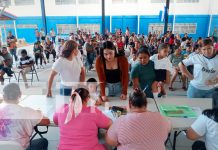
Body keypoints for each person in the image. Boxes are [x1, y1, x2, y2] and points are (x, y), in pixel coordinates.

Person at [106, 89, 171, 150]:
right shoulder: (160, 118)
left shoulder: (121, 121)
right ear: (146, 104)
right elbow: (168, 128)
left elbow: (111, 142)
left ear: (129, 104)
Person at [0, 83, 50, 150]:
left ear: (3, 96)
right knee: (43, 141)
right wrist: (39, 112)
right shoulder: (25, 111)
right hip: (20, 147)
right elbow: (46, 121)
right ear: (20, 94)